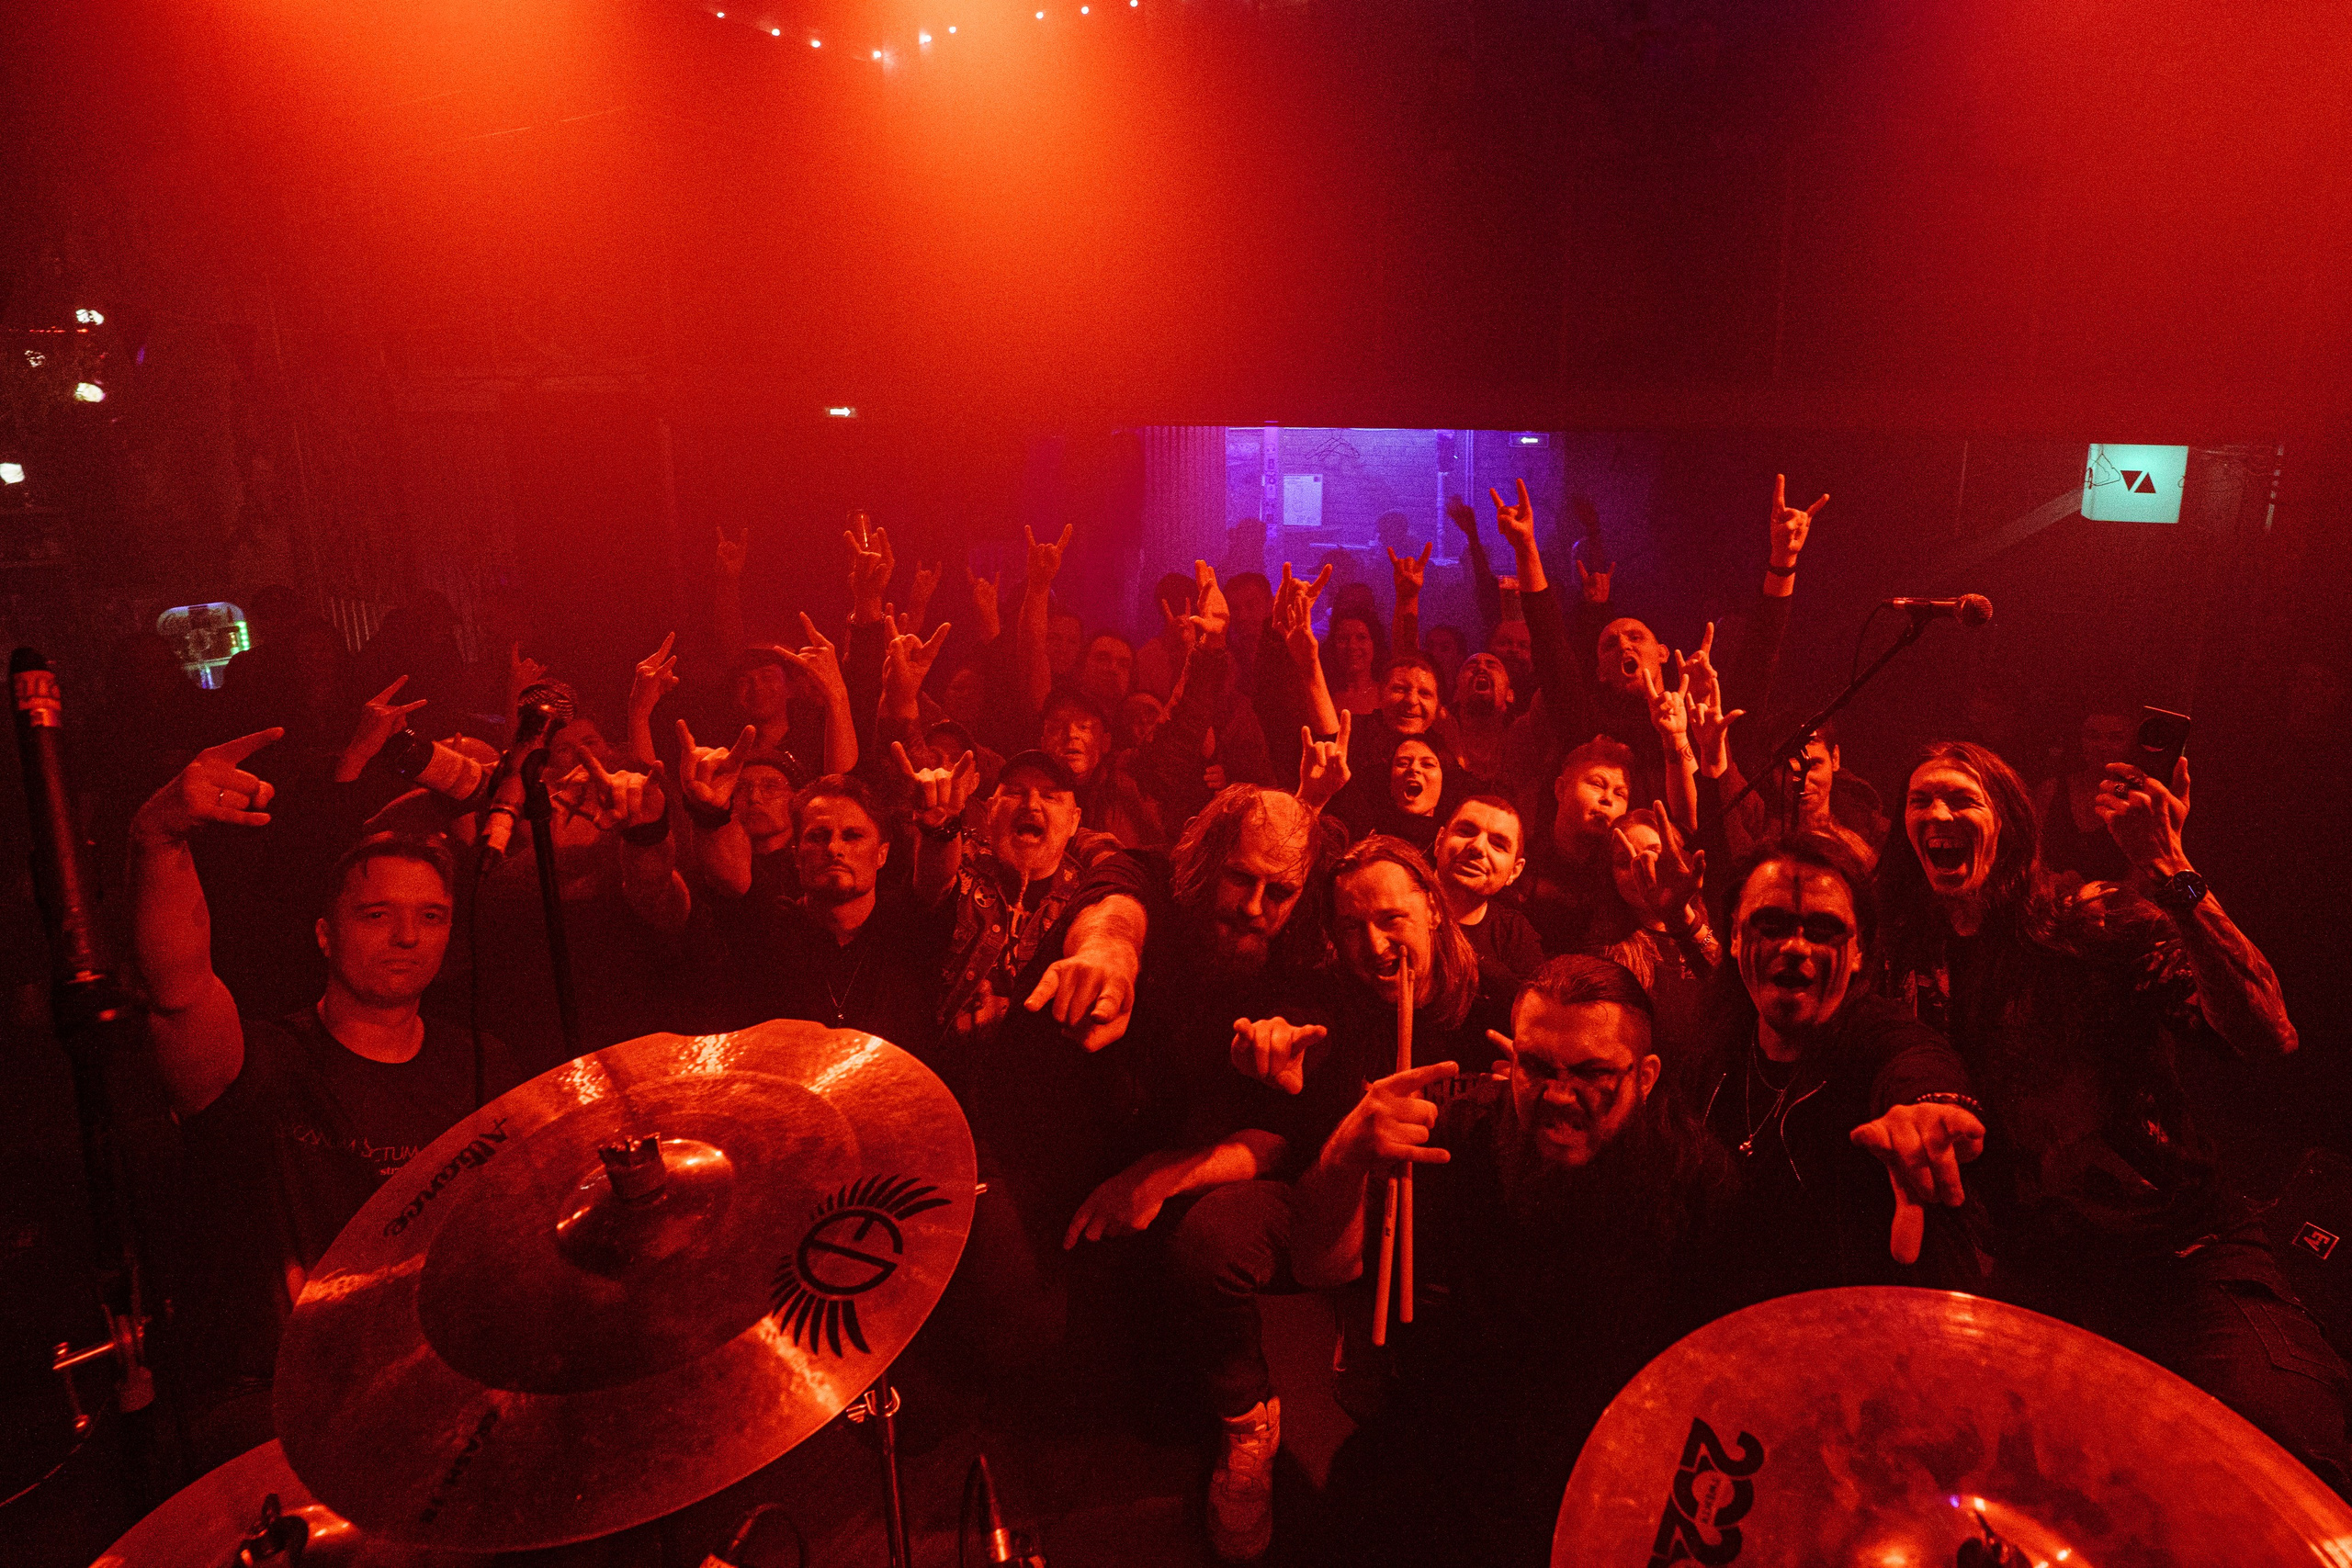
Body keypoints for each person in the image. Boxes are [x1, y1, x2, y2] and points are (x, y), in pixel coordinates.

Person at [1877, 739, 2352, 1492]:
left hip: (2182, 1260)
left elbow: (2268, 1031)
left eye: (1961, 799)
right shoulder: (1908, 959)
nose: (1938, 812)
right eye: (1921, 800)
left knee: (2291, 1462)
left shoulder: (2087, 916)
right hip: (2046, 1279)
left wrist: (2170, 867)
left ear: (2010, 823)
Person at [954, 784, 1346, 1559]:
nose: (1256, 905)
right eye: (1242, 878)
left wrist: (1162, 1175)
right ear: (1203, 862)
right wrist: (1107, 955)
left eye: (1281, 890)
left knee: (1166, 1404)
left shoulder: (1305, 955)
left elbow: (1284, 1141)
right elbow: (1110, 914)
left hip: (1165, 1155)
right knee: (1019, 1340)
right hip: (1040, 1135)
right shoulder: (1145, 877)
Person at [129, 731, 526, 1463]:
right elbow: (177, 988)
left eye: (431, 915)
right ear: (324, 933)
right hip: (274, 1415)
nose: (407, 935)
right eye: (375, 914)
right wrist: (160, 840)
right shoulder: (262, 1059)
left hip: (439, 1395)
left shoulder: (482, 1064)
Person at [1295, 955, 1736, 1567]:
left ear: (1647, 1074)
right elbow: (1320, 1264)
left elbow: (1722, 1373)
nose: (1559, 1094)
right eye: (1536, 1066)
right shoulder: (1467, 1134)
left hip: (1613, 1453)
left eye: (1592, 1072)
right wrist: (1341, 1159)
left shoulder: (1694, 1178)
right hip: (1463, 1433)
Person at [1699, 833, 1984, 1301]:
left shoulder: (1876, 1037)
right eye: (1771, 924)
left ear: (1858, 953)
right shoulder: (1716, 1044)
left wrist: (1927, 1108)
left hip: (1865, 1338)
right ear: (1734, 936)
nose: (1795, 946)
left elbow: (1915, 1059)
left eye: (1823, 929)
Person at [897, 743, 1118, 1067]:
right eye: (1015, 793)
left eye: (1050, 796)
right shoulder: (965, 859)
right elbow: (934, 881)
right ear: (989, 810)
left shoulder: (1088, 896)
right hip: (937, 1072)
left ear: (1074, 822)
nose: (1031, 804)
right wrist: (939, 828)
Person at [1521, 736, 1636, 953]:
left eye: (1620, 793)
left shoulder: (1623, 878)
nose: (1608, 799)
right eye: (1597, 784)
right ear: (1560, 790)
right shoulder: (1521, 864)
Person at [1431, 795, 1545, 987]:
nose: (1478, 847)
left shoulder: (1514, 936)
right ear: (1439, 841)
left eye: (1498, 845)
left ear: (1515, 871)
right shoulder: (1395, 905)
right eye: (1466, 831)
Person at [2032, 706, 2137, 884]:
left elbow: (2142, 872)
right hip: (2050, 902)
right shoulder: (2051, 790)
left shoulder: (2137, 799)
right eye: (2093, 736)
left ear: (2130, 744)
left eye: (2115, 738)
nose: (2102, 746)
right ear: (2081, 740)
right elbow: (2030, 854)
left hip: (2114, 907)